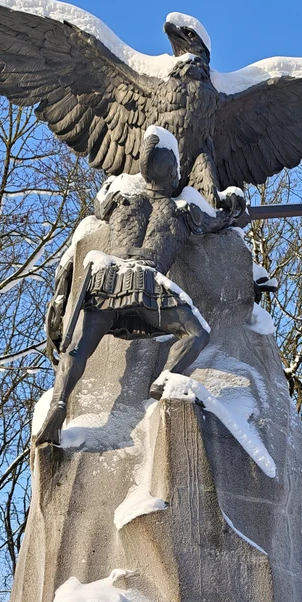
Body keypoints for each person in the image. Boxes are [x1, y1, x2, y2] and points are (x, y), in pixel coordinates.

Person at [37, 126, 246, 447]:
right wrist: (234, 206)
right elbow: (219, 220)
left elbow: (98, 206)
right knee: (197, 333)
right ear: (173, 173)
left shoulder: (121, 201)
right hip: (149, 285)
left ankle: (60, 402)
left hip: (106, 280)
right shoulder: (183, 212)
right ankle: (164, 378)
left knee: (76, 349)